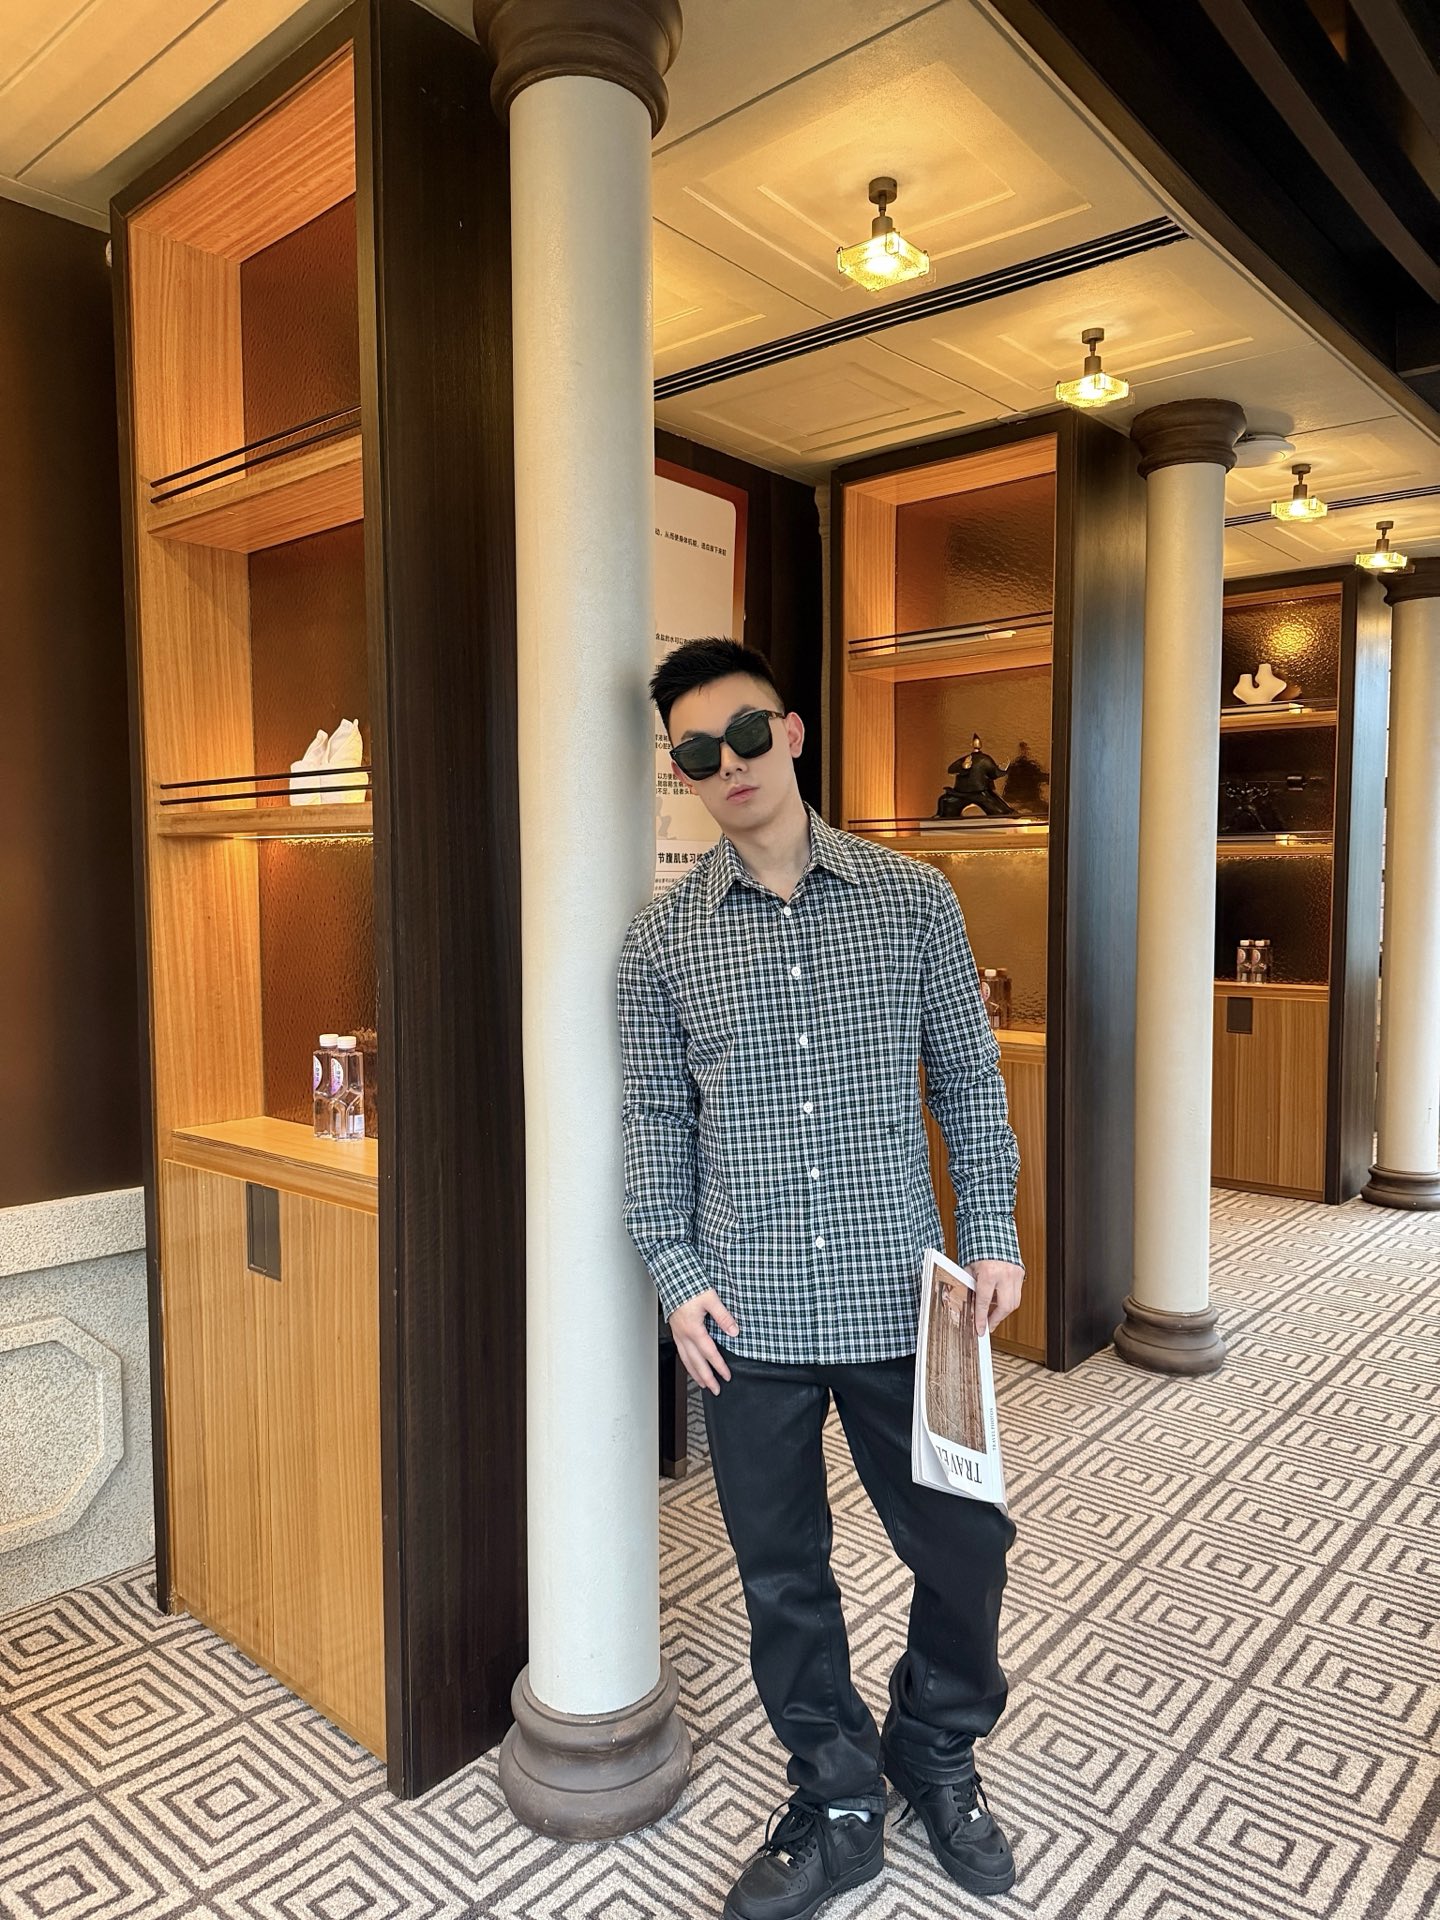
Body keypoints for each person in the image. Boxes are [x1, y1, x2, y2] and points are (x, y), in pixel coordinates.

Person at [617, 638, 1025, 1919]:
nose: (728, 765)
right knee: (783, 1577)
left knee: (967, 1547)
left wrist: (995, 1229)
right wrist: (674, 1271)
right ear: (681, 775)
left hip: (908, 1304)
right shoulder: (661, 943)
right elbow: (654, 1123)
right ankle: (838, 1792)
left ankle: (935, 1747)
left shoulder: (913, 900)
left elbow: (969, 1080)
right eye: (697, 753)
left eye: (746, 734)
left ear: (791, 733)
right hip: (746, 1316)